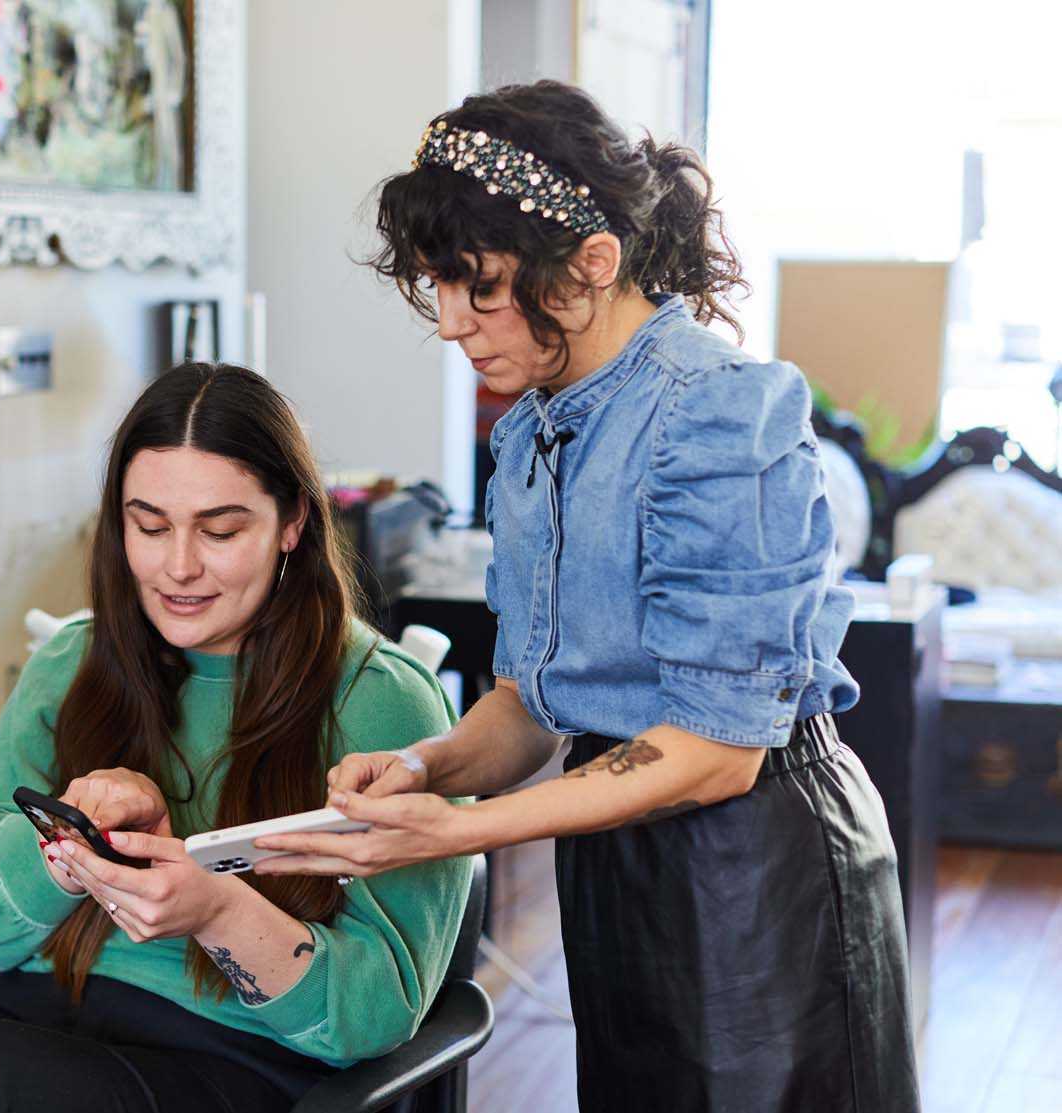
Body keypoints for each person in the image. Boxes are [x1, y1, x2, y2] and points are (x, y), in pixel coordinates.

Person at [255, 81, 921, 1113]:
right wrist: (427, 767)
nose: (451, 324)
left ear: (592, 264)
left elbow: (716, 751)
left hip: (755, 868)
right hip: (610, 852)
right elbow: (532, 703)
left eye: (478, 287)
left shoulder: (717, 411)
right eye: (436, 287)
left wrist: (453, 831)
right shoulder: (532, 432)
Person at [0, 363, 472, 1112]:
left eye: (220, 530)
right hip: (26, 1032)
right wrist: (71, 848)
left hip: (229, 1066)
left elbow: (378, 1011)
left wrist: (217, 910)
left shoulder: (384, 704)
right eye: (149, 526)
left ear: (293, 523)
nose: (178, 566)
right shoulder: (75, 662)